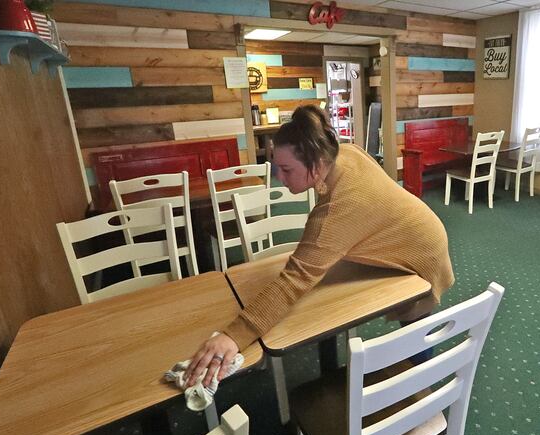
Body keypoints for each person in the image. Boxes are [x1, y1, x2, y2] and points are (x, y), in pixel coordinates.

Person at [185, 105, 454, 387]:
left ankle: (420, 386)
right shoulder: (343, 152)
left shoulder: (338, 209)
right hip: (419, 227)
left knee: (415, 327)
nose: (280, 176)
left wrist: (234, 335)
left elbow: (293, 281)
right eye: (278, 166)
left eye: (287, 169)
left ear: (315, 164)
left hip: (421, 250)